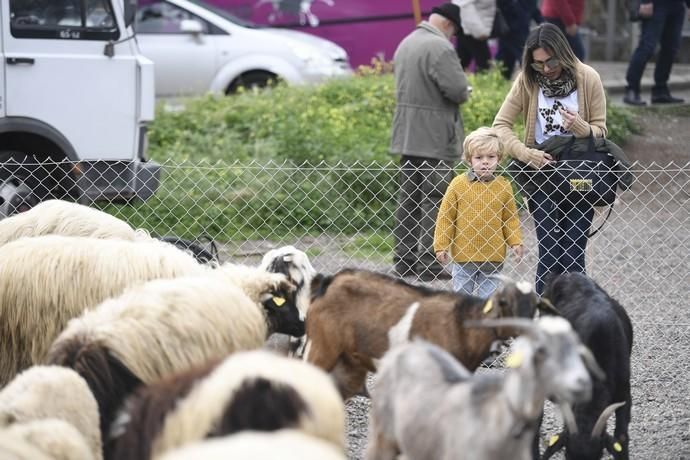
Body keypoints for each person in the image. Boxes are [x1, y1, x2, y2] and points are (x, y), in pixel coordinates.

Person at [492, 23, 607, 294]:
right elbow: (501, 125)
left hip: (580, 173)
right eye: (537, 64)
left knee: (574, 250)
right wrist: (525, 153)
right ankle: (544, 321)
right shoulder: (527, 80)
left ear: (563, 53)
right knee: (550, 252)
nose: (545, 69)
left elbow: (601, 132)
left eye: (550, 61)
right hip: (541, 173)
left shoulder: (588, 77)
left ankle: (576, 319)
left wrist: (581, 128)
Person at [390, 2, 471, 281]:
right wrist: (467, 89)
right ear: (449, 24)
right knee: (435, 198)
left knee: (408, 198)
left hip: (407, 134)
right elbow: (458, 90)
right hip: (435, 136)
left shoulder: (407, 42)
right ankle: (428, 262)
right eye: (455, 31)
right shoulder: (441, 48)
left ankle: (404, 258)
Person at [434, 127, 523, 298]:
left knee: (487, 303)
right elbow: (446, 218)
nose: (485, 162)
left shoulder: (504, 186)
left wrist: (515, 242)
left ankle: (484, 325)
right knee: (462, 301)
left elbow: (510, 219)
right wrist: (441, 245)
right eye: (479, 157)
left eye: (491, 157)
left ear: (499, 158)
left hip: (493, 259)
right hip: (464, 257)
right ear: (469, 160)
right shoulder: (457, 184)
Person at [623, 0, 690, 106]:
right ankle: (632, 89)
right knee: (647, 47)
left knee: (671, 48)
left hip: (677, 5)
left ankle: (660, 90)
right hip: (656, 4)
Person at [496, 0, 543, 79]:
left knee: (507, 60)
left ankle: (499, 82)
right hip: (510, 28)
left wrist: (541, 21)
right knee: (525, 57)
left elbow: (533, 8)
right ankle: (533, 82)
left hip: (517, 28)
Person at [452, 0, 496, 72]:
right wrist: (480, 32)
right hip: (473, 30)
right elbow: (465, 6)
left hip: (472, 28)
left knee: (461, 62)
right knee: (484, 65)